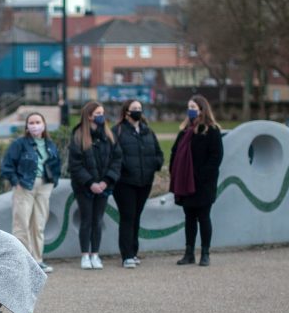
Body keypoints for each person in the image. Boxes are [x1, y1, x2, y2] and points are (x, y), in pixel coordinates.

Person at [1, 112, 62, 273]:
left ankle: (37, 260)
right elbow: (7, 165)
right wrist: (15, 182)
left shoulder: (49, 144)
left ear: (44, 124)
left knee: (39, 224)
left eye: (38, 122)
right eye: (31, 123)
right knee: (21, 224)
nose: (35, 125)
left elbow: (57, 164)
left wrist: (53, 182)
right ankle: (23, 260)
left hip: (44, 186)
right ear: (27, 126)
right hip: (24, 186)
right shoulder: (20, 144)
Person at [169, 94, 223, 266]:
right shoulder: (185, 131)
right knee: (189, 218)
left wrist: (200, 176)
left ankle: (205, 253)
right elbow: (175, 152)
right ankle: (189, 253)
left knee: (204, 217)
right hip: (186, 182)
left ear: (202, 109)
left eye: (193, 107)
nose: (190, 110)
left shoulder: (212, 131)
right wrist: (175, 172)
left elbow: (216, 157)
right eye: (189, 107)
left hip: (203, 183)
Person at [68, 101, 122, 270]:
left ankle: (95, 255)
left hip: (104, 187)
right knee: (86, 220)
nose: (102, 116)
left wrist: (106, 181)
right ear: (89, 116)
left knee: (98, 220)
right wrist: (90, 183)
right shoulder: (78, 136)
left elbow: (117, 159)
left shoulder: (109, 136)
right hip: (84, 188)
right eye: (98, 113)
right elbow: (75, 165)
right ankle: (85, 255)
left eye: (102, 113)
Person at [111, 100, 164, 268]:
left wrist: (155, 164)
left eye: (140, 109)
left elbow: (158, 153)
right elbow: (114, 155)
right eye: (134, 109)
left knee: (136, 217)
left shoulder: (148, 131)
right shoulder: (117, 131)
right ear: (126, 112)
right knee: (127, 216)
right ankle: (126, 255)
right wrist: (125, 168)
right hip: (124, 182)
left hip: (144, 181)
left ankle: (133, 252)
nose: (138, 111)